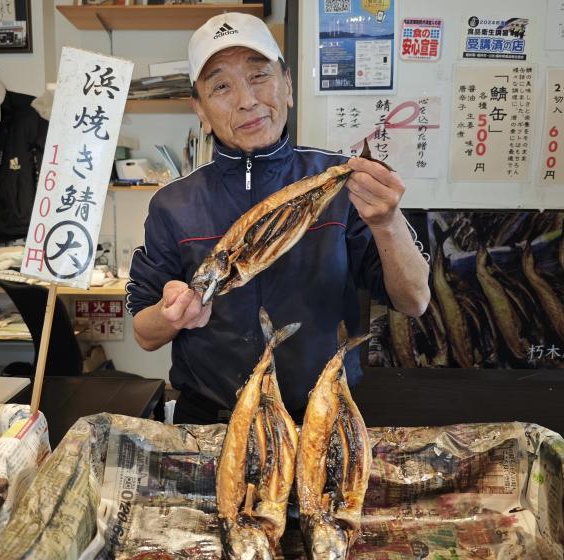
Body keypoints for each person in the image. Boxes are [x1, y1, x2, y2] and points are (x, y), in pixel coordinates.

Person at [126, 13, 430, 424]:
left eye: (259, 76)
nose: (247, 100)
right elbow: (144, 334)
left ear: (287, 85)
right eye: (221, 86)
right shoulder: (172, 204)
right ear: (199, 108)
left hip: (323, 417)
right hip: (211, 420)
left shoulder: (341, 182)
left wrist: (387, 222)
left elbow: (414, 300)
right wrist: (170, 315)